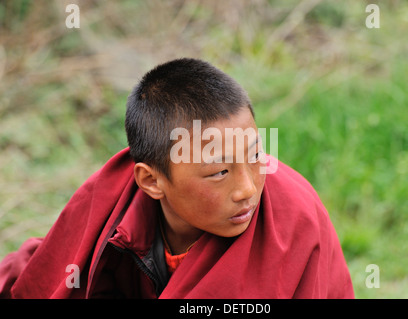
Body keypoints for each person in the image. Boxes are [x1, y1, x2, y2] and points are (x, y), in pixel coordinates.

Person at [0, 58, 354, 298]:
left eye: (256, 155)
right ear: (152, 182)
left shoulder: (294, 220)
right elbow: (44, 266)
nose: (248, 189)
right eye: (219, 172)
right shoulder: (111, 199)